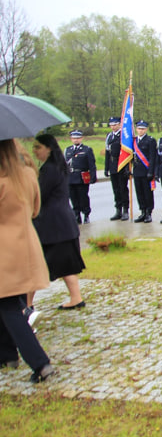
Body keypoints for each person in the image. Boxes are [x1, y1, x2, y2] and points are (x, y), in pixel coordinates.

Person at [0, 138, 55, 382]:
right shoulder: (27, 174)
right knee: (8, 303)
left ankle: (40, 363)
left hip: (4, 249)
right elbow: (35, 210)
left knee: (9, 307)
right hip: (25, 245)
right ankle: (7, 354)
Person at [31, 134, 86, 310]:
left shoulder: (50, 169)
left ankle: (26, 304)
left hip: (52, 224)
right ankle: (76, 298)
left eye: (38, 147)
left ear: (48, 148)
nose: (35, 151)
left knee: (37, 263)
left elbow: (39, 195)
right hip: (61, 223)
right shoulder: (56, 166)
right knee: (63, 263)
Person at [65, 129, 97, 224]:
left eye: (78, 138)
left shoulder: (87, 150)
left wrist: (93, 177)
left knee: (83, 197)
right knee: (73, 197)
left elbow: (92, 165)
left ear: (81, 138)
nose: (76, 140)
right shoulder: (68, 150)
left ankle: (86, 214)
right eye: (74, 138)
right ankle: (76, 215)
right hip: (71, 177)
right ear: (71, 139)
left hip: (81, 177)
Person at [104, 116, 130, 221]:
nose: (113, 127)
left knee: (123, 188)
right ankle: (118, 210)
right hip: (112, 164)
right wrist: (106, 168)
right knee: (116, 189)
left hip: (122, 164)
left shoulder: (124, 136)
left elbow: (128, 152)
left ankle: (125, 210)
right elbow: (107, 153)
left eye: (115, 124)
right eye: (111, 125)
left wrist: (127, 167)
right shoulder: (109, 136)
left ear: (119, 124)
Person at [132, 120, 157, 223]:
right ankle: (142, 211)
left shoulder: (150, 140)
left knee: (147, 193)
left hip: (146, 170)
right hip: (137, 170)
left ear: (146, 129)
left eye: (142, 129)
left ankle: (148, 213)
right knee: (139, 193)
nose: (140, 130)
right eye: (138, 128)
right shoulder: (133, 141)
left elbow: (152, 157)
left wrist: (151, 171)